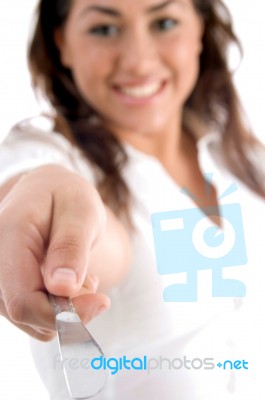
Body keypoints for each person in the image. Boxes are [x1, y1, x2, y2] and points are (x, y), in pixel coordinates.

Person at [0, 0, 265, 398]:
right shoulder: (47, 153)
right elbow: (40, 198)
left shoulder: (238, 155)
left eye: (164, 22)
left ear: (199, 31)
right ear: (62, 44)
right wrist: (50, 209)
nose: (138, 61)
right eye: (104, 29)